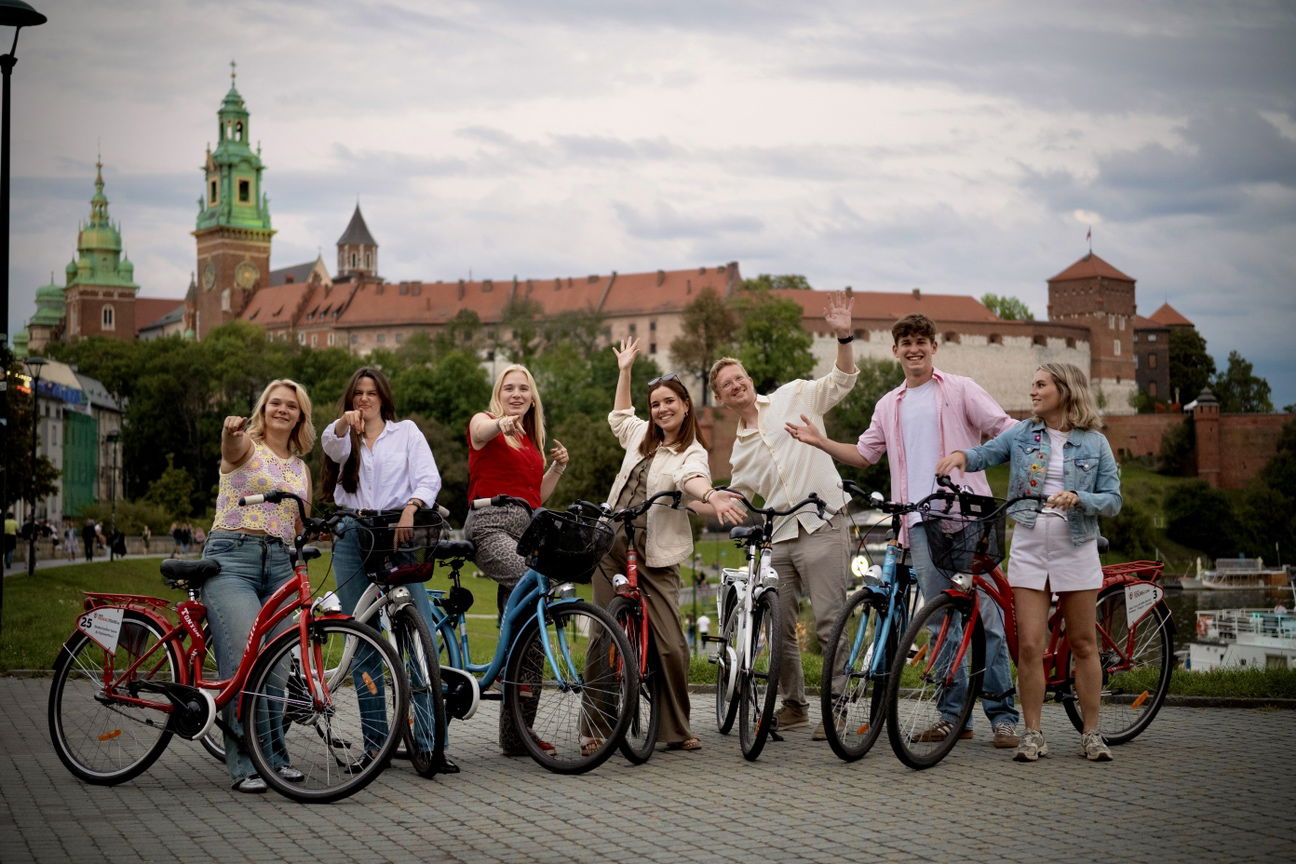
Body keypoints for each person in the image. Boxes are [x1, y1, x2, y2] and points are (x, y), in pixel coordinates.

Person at [786, 312, 1021, 747]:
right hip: (920, 522)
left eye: (921, 341)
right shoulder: (888, 404)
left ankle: (1003, 716)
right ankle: (953, 716)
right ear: (895, 351)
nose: (914, 349)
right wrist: (820, 442)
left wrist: (985, 457)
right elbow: (865, 454)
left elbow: (1008, 431)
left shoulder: (961, 389)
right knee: (940, 620)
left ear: (934, 347)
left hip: (970, 517)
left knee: (986, 618)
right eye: (906, 343)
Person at [936, 363, 1122, 762]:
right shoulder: (1022, 433)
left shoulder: (1096, 443)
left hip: (1076, 546)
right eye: (1033, 385)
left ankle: (1091, 733)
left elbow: (1113, 499)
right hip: (1030, 546)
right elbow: (987, 453)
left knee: (1083, 643)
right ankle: (1033, 733)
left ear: (1064, 390)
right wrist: (961, 456)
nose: (1033, 391)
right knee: (1030, 646)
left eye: (1041, 385)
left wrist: (1080, 498)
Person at [708, 291, 858, 740]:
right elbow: (737, 495)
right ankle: (794, 705)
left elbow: (840, 381)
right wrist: (697, 495)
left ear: (750, 379)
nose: (736, 385)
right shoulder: (740, 449)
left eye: (739, 377)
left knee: (830, 621)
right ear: (720, 398)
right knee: (780, 629)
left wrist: (844, 337)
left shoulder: (794, 396)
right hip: (782, 537)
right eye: (727, 385)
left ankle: (838, 707)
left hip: (823, 522)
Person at [598, 338, 744, 752]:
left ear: (685, 405)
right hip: (611, 540)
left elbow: (691, 478)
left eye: (669, 402)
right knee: (603, 635)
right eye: (656, 404)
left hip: (655, 549)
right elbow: (619, 416)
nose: (662, 409)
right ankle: (596, 728)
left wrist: (712, 496)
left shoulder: (691, 451)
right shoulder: (639, 435)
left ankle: (674, 728)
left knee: (671, 646)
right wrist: (625, 370)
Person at [320, 366, 446, 769]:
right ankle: (376, 745)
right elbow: (329, 444)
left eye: (371, 392)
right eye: (358, 393)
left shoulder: (405, 432)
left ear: (383, 397)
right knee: (363, 638)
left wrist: (412, 507)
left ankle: (428, 741)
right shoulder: (345, 438)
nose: (364, 399)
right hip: (352, 533)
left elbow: (428, 478)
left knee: (418, 636)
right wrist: (345, 423)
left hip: (398, 532)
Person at [201, 378, 316, 793]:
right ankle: (244, 765)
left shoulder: (301, 468)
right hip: (233, 558)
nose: (282, 409)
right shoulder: (246, 446)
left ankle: (274, 760)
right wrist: (229, 432)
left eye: (291, 405)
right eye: (275, 403)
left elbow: (301, 523)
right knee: (244, 664)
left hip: (281, 565)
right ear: (263, 409)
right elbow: (231, 450)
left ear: (300, 416)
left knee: (277, 670)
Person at [463, 364, 568, 756]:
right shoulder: (486, 422)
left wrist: (557, 467)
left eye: (524, 389)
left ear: (533, 397)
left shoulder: (529, 441)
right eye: (509, 388)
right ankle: (504, 666)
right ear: (499, 393)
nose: (517, 394)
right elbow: (479, 433)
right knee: (530, 579)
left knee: (532, 629)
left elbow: (535, 494)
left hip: (526, 529)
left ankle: (517, 736)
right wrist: (500, 424)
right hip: (489, 524)